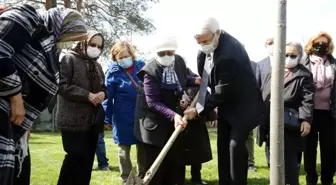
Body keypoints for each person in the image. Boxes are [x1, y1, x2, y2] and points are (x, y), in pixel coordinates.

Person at [0, 4, 87, 185]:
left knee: (18, 172)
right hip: (6, 104)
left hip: (13, 118)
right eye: (70, 36)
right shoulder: (25, 17)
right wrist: (16, 97)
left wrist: (26, 123)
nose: (69, 43)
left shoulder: (47, 46)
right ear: (62, 25)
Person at [183, 17, 265, 185]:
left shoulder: (230, 54)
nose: (203, 45)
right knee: (222, 145)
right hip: (226, 105)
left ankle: (237, 182)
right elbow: (207, 81)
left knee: (235, 146)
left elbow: (221, 91)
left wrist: (199, 110)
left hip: (244, 106)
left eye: (205, 41)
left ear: (217, 33)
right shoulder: (205, 51)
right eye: (199, 42)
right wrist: (200, 104)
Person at [134, 37, 200, 185]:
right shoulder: (149, 71)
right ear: (156, 53)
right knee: (156, 168)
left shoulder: (179, 62)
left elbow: (180, 79)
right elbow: (152, 102)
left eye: (170, 53)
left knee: (175, 165)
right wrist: (173, 115)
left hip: (172, 123)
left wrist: (194, 80)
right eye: (162, 53)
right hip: (153, 125)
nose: (166, 56)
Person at [56, 30, 105, 185]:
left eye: (99, 46)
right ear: (84, 42)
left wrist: (103, 93)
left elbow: (105, 87)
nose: (95, 48)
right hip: (71, 120)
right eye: (92, 44)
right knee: (74, 158)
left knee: (87, 162)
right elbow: (61, 86)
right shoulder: (68, 59)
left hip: (92, 122)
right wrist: (87, 95)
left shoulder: (97, 65)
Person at [261, 41, 314, 185]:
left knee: (290, 164)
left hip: (289, 125)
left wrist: (306, 120)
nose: (289, 58)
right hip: (270, 123)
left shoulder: (304, 74)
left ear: (300, 56)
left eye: (293, 55)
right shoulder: (273, 71)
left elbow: (307, 99)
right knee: (272, 161)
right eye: (286, 54)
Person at [103, 41, 146, 184]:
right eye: (119, 57)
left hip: (142, 114)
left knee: (143, 148)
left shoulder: (142, 66)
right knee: (123, 150)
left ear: (132, 55)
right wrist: (106, 118)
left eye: (125, 56)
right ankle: (126, 178)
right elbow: (107, 98)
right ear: (115, 58)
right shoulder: (113, 72)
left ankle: (142, 177)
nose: (122, 59)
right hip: (122, 115)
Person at [302, 31, 336, 185]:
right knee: (309, 149)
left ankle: (327, 179)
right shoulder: (304, 62)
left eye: (324, 44)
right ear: (311, 44)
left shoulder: (333, 63)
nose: (320, 46)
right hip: (309, 112)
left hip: (329, 113)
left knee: (329, 150)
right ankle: (311, 179)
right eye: (317, 43)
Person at [177, 68, 215, 185]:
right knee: (179, 153)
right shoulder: (175, 83)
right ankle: (179, 179)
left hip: (196, 125)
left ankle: (196, 178)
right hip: (180, 124)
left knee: (197, 154)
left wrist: (212, 116)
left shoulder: (199, 84)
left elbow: (206, 99)